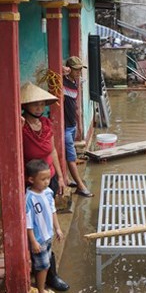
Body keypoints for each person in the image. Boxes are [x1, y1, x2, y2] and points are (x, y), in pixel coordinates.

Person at [21, 82, 70, 291]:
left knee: (48, 224)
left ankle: (51, 275)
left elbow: (53, 153)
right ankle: (35, 269)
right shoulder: (21, 127)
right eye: (35, 104)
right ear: (25, 106)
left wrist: (60, 176)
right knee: (33, 225)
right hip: (30, 180)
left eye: (42, 104)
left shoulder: (47, 125)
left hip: (47, 177)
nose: (39, 108)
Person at [26, 159, 65, 293]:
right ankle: (41, 290)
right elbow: (28, 223)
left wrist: (58, 228)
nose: (47, 182)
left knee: (46, 263)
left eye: (48, 178)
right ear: (31, 179)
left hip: (48, 235)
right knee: (42, 266)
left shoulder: (48, 192)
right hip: (39, 238)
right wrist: (33, 241)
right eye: (43, 179)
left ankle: (41, 286)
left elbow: (53, 211)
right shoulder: (29, 198)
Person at [63, 56, 93, 197]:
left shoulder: (75, 82)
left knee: (67, 154)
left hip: (72, 124)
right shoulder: (60, 81)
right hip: (64, 126)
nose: (79, 72)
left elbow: (74, 106)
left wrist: (79, 123)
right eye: (76, 69)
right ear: (68, 69)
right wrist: (61, 71)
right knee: (71, 156)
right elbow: (52, 74)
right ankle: (80, 186)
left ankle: (67, 178)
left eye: (80, 69)